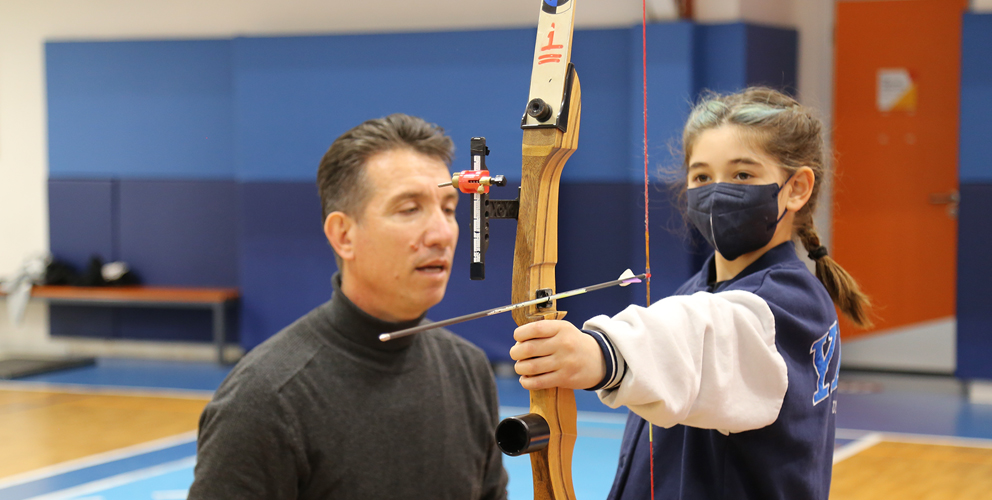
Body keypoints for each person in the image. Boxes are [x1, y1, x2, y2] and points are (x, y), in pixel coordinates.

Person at [508, 88, 872, 499]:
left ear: (797, 188)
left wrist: (600, 354)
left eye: (742, 175)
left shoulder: (789, 303)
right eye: (701, 176)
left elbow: (705, 338)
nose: (716, 192)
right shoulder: (703, 289)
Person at [189, 114, 508, 500]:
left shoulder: (469, 371)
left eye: (449, 208)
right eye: (410, 209)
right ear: (344, 235)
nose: (442, 233)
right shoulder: (265, 400)